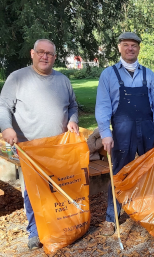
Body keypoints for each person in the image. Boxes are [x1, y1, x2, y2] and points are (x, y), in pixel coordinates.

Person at [0, 39, 79, 249]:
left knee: (59, 188)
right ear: (32, 53)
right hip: (30, 149)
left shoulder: (63, 80)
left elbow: (72, 105)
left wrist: (73, 120)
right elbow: (3, 106)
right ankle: (34, 232)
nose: (45, 56)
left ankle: (60, 226)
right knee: (32, 191)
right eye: (41, 52)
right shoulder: (17, 78)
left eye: (50, 54)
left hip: (58, 147)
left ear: (54, 57)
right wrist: (6, 128)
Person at [95, 32, 154, 236]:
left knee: (149, 172)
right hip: (122, 130)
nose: (130, 48)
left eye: (134, 45)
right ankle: (112, 216)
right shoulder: (108, 75)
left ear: (139, 48)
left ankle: (151, 213)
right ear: (119, 48)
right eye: (126, 45)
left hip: (147, 129)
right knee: (118, 173)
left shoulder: (148, 75)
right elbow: (103, 106)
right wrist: (105, 133)